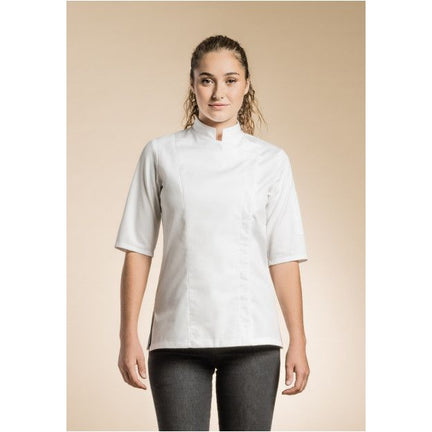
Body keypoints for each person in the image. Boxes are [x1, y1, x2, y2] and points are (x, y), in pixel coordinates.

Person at [115, 35, 310, 431]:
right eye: (207, 80)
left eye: (230, 80)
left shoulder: (271, 161)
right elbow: (138, 248)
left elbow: (283, 256)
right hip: (176, 339)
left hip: (253, 339)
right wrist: (128, 334)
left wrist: (298, 340)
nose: (219, 92)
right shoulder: (160, 154)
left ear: (246, 84)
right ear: (193, 84)